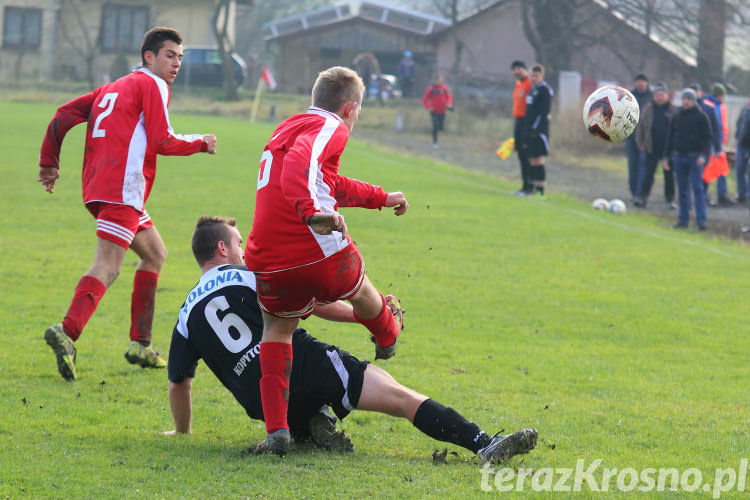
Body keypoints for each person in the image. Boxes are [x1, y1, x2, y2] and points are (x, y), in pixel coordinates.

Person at [164, 215, 539, 463]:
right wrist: (369, 315)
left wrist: (182, 432)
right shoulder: (250, 276)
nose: (245, 250)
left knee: (301, 405)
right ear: (222, 249)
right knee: (399, 397)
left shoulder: (185, 314)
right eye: (239, 242)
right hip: (303, 366)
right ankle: (483, 443)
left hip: (265, 405)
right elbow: (319, 304)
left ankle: (310, 422)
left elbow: (178, 382)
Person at [244, 66, 409, 455]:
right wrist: (309, 212)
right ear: (350, 109)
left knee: (277, 330)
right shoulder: (330, 127)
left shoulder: (287, 127)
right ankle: (388, 336)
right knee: (363, 291)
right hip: (313, 246)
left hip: (267, 257)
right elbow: (302, 166)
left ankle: (277, 431)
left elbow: (327, 182)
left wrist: (380, 197)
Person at [37, 27, 217, 382]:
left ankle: (140, 343)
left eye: (180, 57)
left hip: (101, 188)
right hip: (123, 190)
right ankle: (67, 332)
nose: (176, 63)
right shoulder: (152, 84)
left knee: (155, 254)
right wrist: (201, 141)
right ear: (149, 57)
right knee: (108, 265)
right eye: (169, 55)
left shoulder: (111, 88)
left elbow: (63, 114)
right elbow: (162, 139)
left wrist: (49, 163)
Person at [666, 89, 712, 230]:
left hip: (695, 158)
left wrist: (704, 156)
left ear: (693, 101)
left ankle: (701, 221)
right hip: (679, 157)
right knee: (682, 191)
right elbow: (670, 138)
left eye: (689, 99)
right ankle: (683, 220)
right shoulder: (677, 116)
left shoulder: (701, 117)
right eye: (684, 98)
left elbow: (707, 139)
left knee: (698, 190)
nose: (686, 101)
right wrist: (666, 157)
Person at [634, 82, 676, 209]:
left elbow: (678, 129)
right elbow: (640, 127)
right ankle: (642, 198)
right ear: (654, 96)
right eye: (657, 95)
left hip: (668, 150)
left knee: (669, 176)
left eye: (662, 94)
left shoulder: (673, 110)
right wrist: (640, 143)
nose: (659, 97)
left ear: (667, 95)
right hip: (651, 148)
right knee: (647, 175)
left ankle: (669, 200)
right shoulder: (648, 109)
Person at [522, 64, 553, 196]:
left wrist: (535, 129)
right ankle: (532, 187)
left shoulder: (545, 90)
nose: (533, 78)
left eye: (536, 76)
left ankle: (541, 189)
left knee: (537, 159)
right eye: (532, 76)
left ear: (542, 76)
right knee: (530, 158)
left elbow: (543, 113)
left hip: (538, 131)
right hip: (529, 128)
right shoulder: (533, 90)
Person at [704, 83, 733, 206]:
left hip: (718, 142)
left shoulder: (721, 106)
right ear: (718, 95)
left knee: (721, 168)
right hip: (710, 142)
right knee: (708, 167)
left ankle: (722, 194)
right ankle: (703, 194)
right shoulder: (709, 105)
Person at [626, 74, 653, 202]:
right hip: (631, 136)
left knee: (644, 166)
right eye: (638, 81)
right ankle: (633, 192)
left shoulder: (652, 97)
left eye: (643, 81)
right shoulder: (629, 96)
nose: (640, 84)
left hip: (645, 139)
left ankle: (640, 193)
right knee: (633, 166)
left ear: (646, 83)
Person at [510, 60, 533, 196]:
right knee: (520, 152)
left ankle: (530, 186)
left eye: (518, 68)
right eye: (514, 69)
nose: (516, 72)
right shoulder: (518, 84)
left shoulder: (529, 83)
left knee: (526, 153)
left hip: (526, 121)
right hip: (518, 120)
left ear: (525, 69)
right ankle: (524, 186)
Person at [421, 75, 453, 148]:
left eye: (441, 80)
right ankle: (434, 143)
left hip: (442, 111)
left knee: (440, 127)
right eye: (439, 80)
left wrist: (449, 104)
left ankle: (438, 134)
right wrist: (428, 107)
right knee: (435, 126)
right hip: (434, 111)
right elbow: (424, 100)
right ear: (435, 81)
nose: (440, 82)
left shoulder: (444, 88)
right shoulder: (431, 89)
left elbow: (449, 97)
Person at [735, 96, 750, 204]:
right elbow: (739, 123)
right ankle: (742, 194)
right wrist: (737, 136)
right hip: (742, 144)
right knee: (739, 169)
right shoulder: (744, 110)